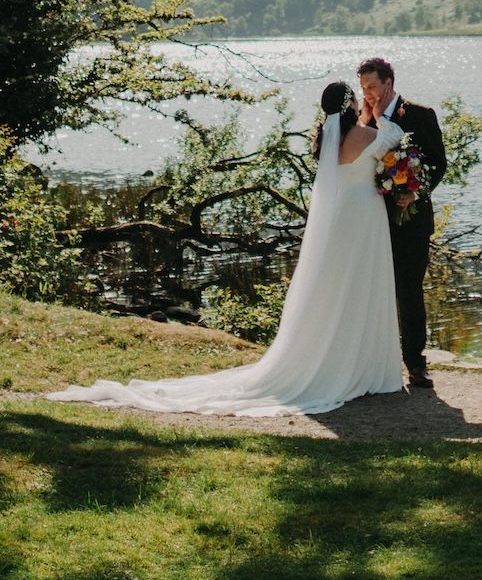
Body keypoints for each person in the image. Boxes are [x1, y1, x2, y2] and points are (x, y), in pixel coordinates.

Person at [50, 79, 405, 420]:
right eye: (358, 98)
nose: (363, 101)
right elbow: (394, 138)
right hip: (362, 215)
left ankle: (340, 360)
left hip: (342, 218)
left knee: (338, 288)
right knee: (361, 286)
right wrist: (378, 110)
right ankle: (361, 364)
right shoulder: (364, 134)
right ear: (350, 105)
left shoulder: (330, 138)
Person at [358, 54, 448, 390]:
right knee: (373, 291)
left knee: (409, 292)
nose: (367, 93)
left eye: (372, 86)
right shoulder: (361, 121)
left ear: (389, 84)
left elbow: (438, 163)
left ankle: (416, 363)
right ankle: (375, 364)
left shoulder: (421, 115)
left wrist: (416, 191)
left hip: (411, 221)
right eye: (362, 87)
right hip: (372, 220)